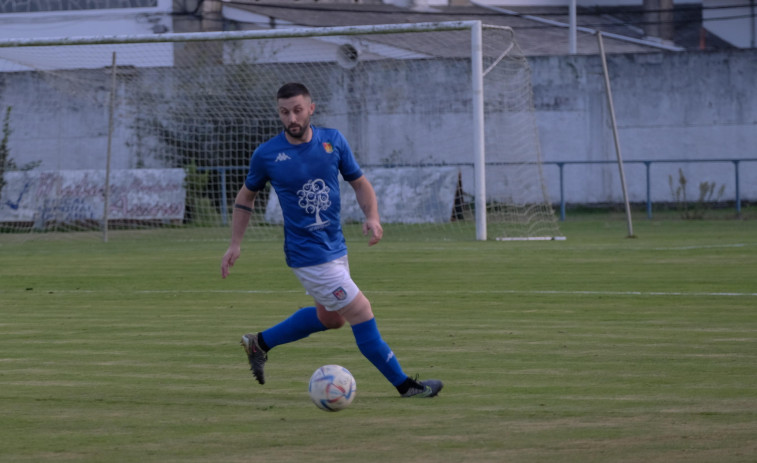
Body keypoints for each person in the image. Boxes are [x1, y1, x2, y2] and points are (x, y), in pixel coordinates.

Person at [220, 82, 443, 398]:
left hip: (335, 247)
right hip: (307, 256)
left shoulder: (333, 141)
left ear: (311, 108)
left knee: (331, 319)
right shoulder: (268, 154)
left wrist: (373, 217)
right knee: (361, 311)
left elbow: (360, 183)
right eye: (285, 112)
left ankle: (260, 343)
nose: (292, 118)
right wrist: (235, 244)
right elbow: (246, 197)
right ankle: (406, 386)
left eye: (298, 110)